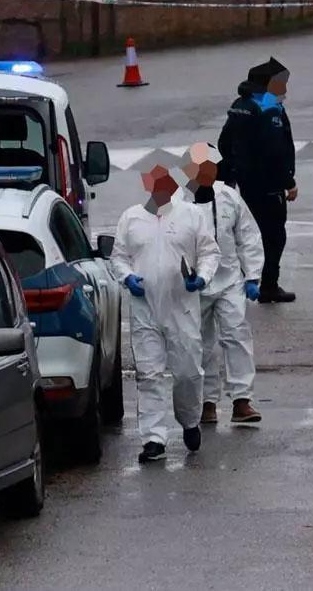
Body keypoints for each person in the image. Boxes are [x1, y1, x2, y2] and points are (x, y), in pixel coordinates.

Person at [110, 164, 220, 464]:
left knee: (187, 372)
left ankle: (189, 420)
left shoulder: (191, 216)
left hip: (181, 307)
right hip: (145, 308)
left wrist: (202, 278)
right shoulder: (131, 218)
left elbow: (209, 253)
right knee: (149, 374)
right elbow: (119, 257)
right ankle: (154, 439)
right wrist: (127, 277)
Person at [179, 143, 265, 425]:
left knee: (237, 336)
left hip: (229, 281)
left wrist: (252, 276)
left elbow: (248, 235)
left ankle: (242, 400)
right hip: (195, 285)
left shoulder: (229, 197)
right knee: (201, 344)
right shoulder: (178, 202)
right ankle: (207, 403)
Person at [218, 57, 297, 304]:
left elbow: (224, 142)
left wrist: (235, 169)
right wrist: (288, 182)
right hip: (268, 184)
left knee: (249, 233)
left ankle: (243, 280)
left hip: (245, 182)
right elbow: (275, 150)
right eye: (281, 83)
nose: (285, 88)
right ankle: (268, 285)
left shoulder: (240, 104)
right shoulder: (269, 108)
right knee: (274, 236)